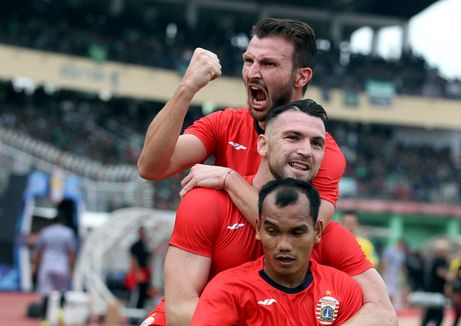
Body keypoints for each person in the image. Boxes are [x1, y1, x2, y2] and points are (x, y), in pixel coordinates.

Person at [141, 100, 396, 326]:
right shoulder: (207, 202)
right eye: (293, 137)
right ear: (262, 145)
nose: (306, 150)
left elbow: (384, 314)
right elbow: (179, 313)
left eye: (316, 143)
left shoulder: (323, 231)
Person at [137, 18, 344, 227]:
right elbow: (150, 167)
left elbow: (301, 228)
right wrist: (186, 88)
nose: (252, 73)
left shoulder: (320, 152)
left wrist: (230, 180)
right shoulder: (225, 122)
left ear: (301, 77)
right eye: (249, 61)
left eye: (268, 64)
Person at [191, 178, 363, 325]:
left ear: (317, 232)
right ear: (258, 229)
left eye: (297, 232)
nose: (284, 245)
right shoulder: (227, 289)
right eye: (272, 231)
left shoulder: (343, 289)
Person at [32, 200, 78, 325]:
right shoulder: (68, 233)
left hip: (47, 264)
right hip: (62, 265)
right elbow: (71, 253)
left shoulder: (45, 232)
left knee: (45, 294)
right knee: (63, 291)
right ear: (63, 221)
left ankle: (45, 320)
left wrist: (35, 267)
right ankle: (60, 313)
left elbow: (39, 252)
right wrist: (72, 269)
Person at [421, 239, 450, 326]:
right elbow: (440, 273)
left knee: (435, 314)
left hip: (440, 291)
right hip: (434, 290)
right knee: (434, 313)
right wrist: (450, 276)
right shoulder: (436, 260)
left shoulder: (444, 261)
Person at [126, 226, 152, 311]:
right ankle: (133, 312)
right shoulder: (135, 246)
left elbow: (148, 259)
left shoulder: (146, 245)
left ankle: (140, 309)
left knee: (143, 293)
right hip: (139, 272)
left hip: (144, 272)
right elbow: (133, 259)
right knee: (135, 293)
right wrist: (137, 272)